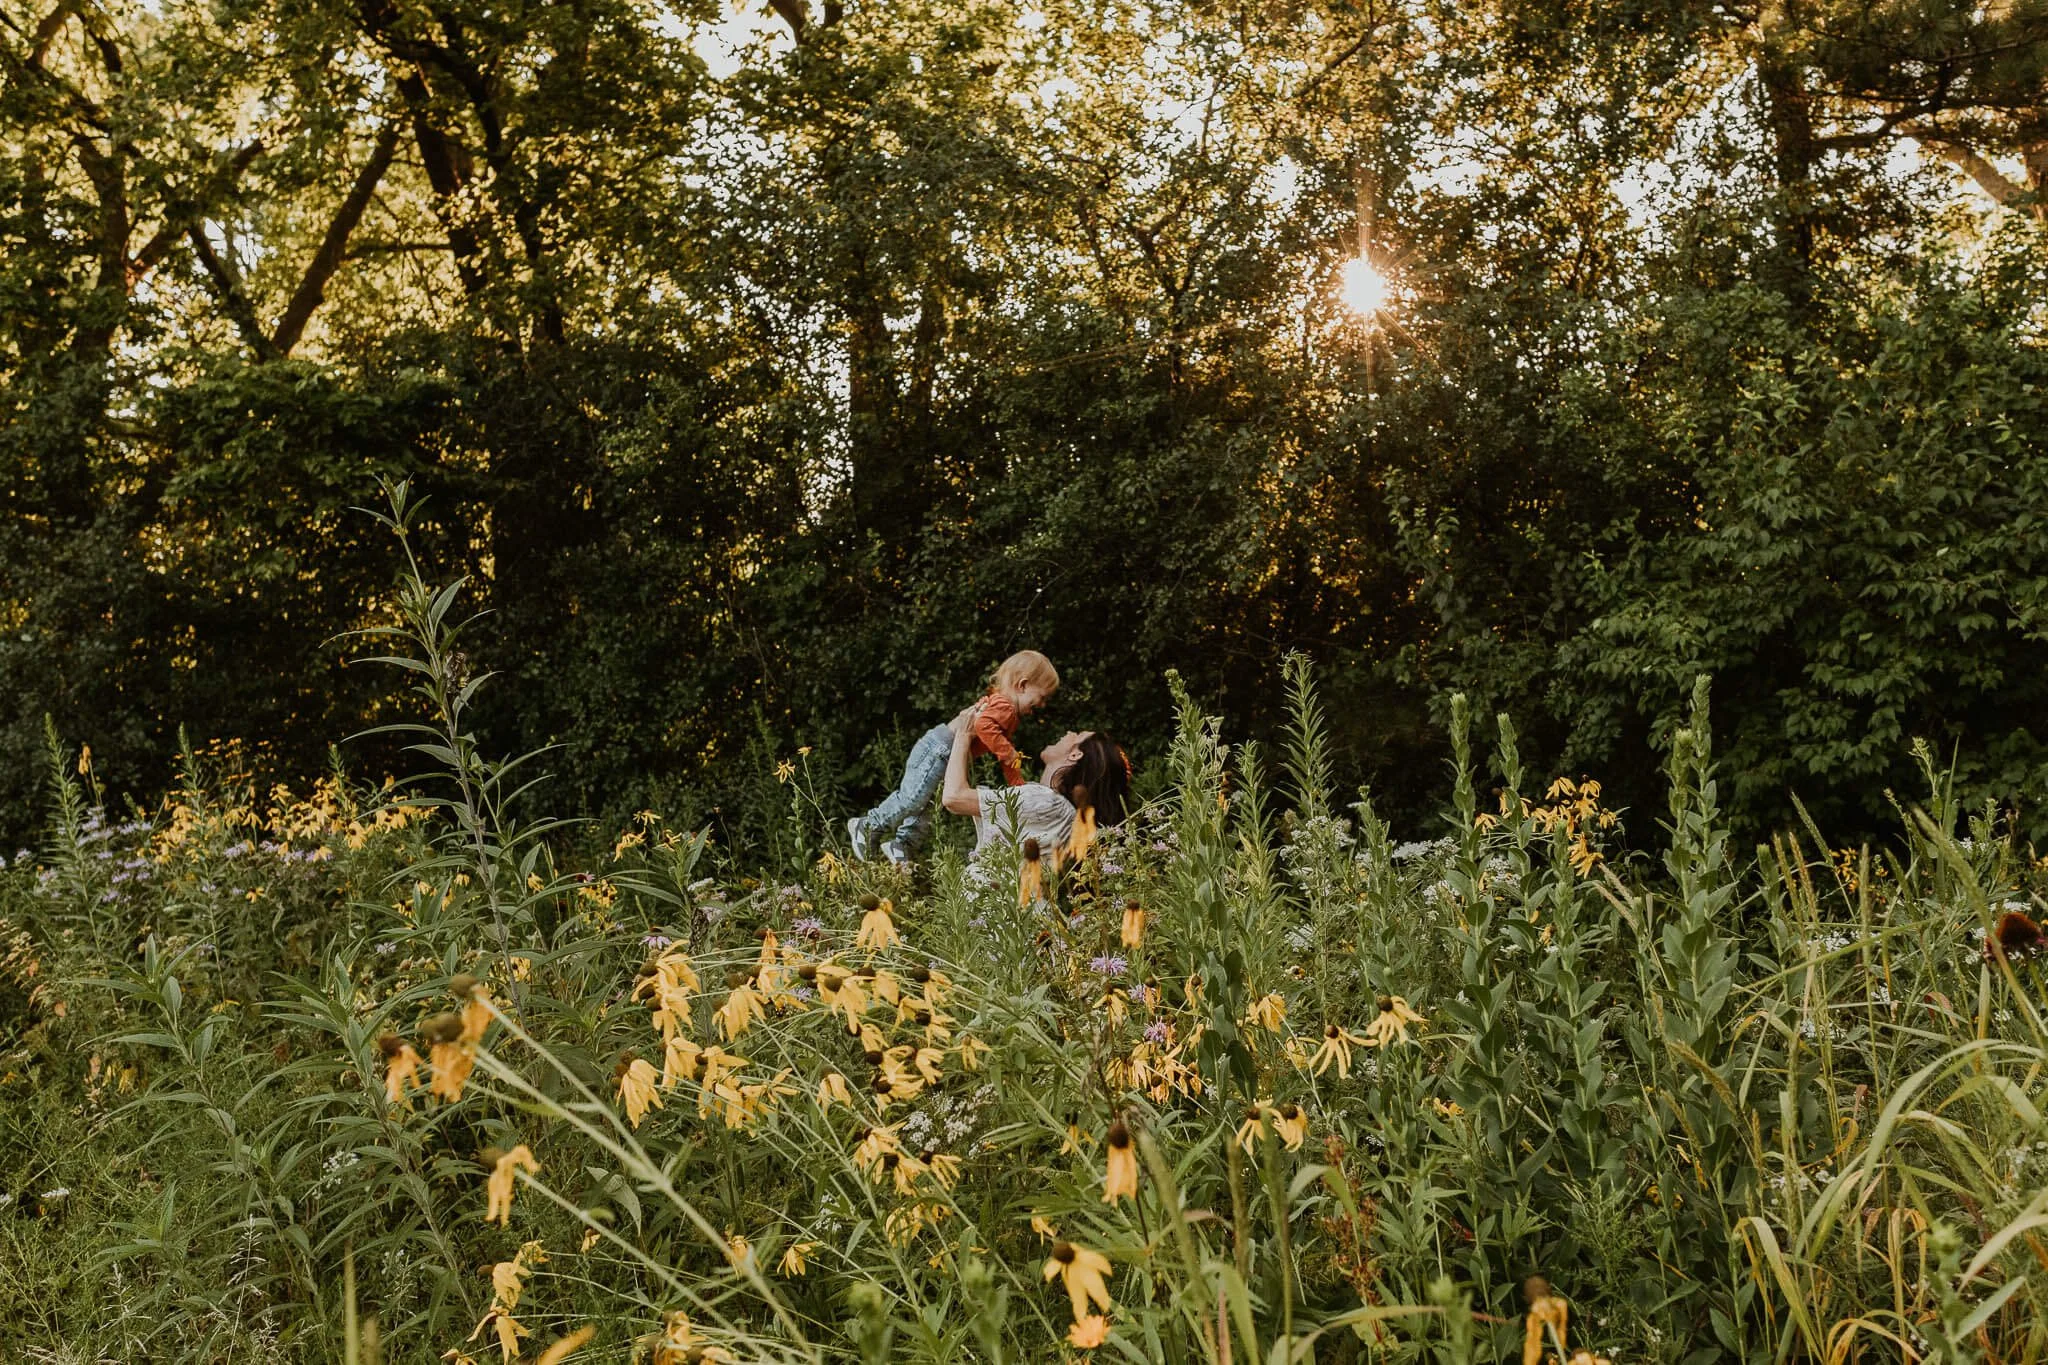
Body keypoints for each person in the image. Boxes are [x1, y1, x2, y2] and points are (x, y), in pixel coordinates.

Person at [847, 650, 1060, 866]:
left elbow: (1003, 754)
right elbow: (982, 727)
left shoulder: (1007, 711)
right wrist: (1008, 752)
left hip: (947, 755)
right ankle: (867, 825)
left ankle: (902, 845)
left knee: (928, 808)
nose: (1042, 705)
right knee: (913, 798)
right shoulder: (1004, 706)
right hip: (940, 750)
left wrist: (1018, 786)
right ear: (1022, 685)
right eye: (1042, 697)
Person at [940, 708, 1131, 873]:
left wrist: (964, 734)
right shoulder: (1057, 808)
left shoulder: (1045, 802)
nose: (1069, 731)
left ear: (1075, 754)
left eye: (1078, 734)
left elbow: (954, 797)